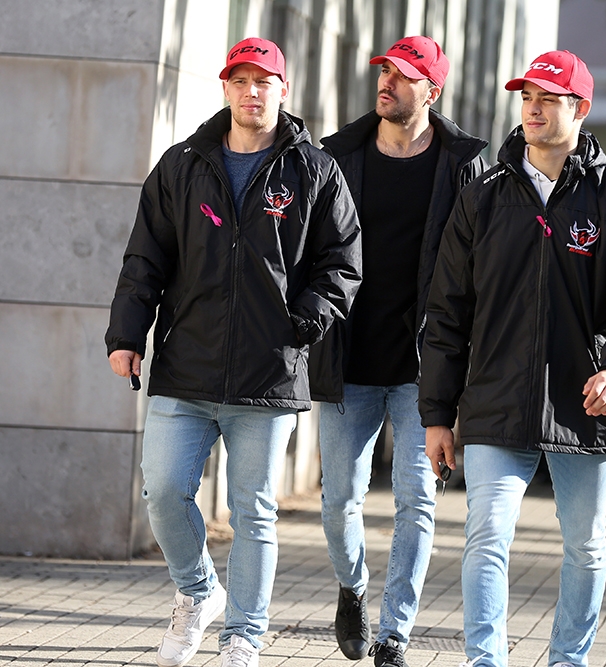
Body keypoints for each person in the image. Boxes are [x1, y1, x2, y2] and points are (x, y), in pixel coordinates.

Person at [105, 38, 362, 667]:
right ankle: (199, 591)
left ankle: (244, 635)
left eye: (263, 81)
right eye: (240, 80)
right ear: (225, 88)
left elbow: (343, 260)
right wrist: (127, 335)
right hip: (185, 366)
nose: (252, 92)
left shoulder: (314, 170)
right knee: (163, 491)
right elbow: (145, 258)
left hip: (268, 373)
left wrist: (303, 323)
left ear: (283, 89)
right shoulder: (182, 164)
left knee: (254, 512)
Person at [420, 51, 606, 667]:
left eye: (549, 99)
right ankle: (485, 660)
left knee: (585, 546)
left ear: (580, 109)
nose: (532, 108)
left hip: (586, 404)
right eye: (527, 96)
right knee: (486, 536)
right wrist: (437, 414)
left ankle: (568, 660)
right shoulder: (482, 197)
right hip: (496, 398)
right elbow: (447, 312)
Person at [307, 36, 487, 667]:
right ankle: (353, 588)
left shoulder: (464, 165)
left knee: (417, 501)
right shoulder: (335, 156)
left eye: (404, 75)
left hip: (425, 368)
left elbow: (477, 269)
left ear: (432, 90)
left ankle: (394, 634)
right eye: (384, 71)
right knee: (339, 502)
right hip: (348, 356)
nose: (387, 82)